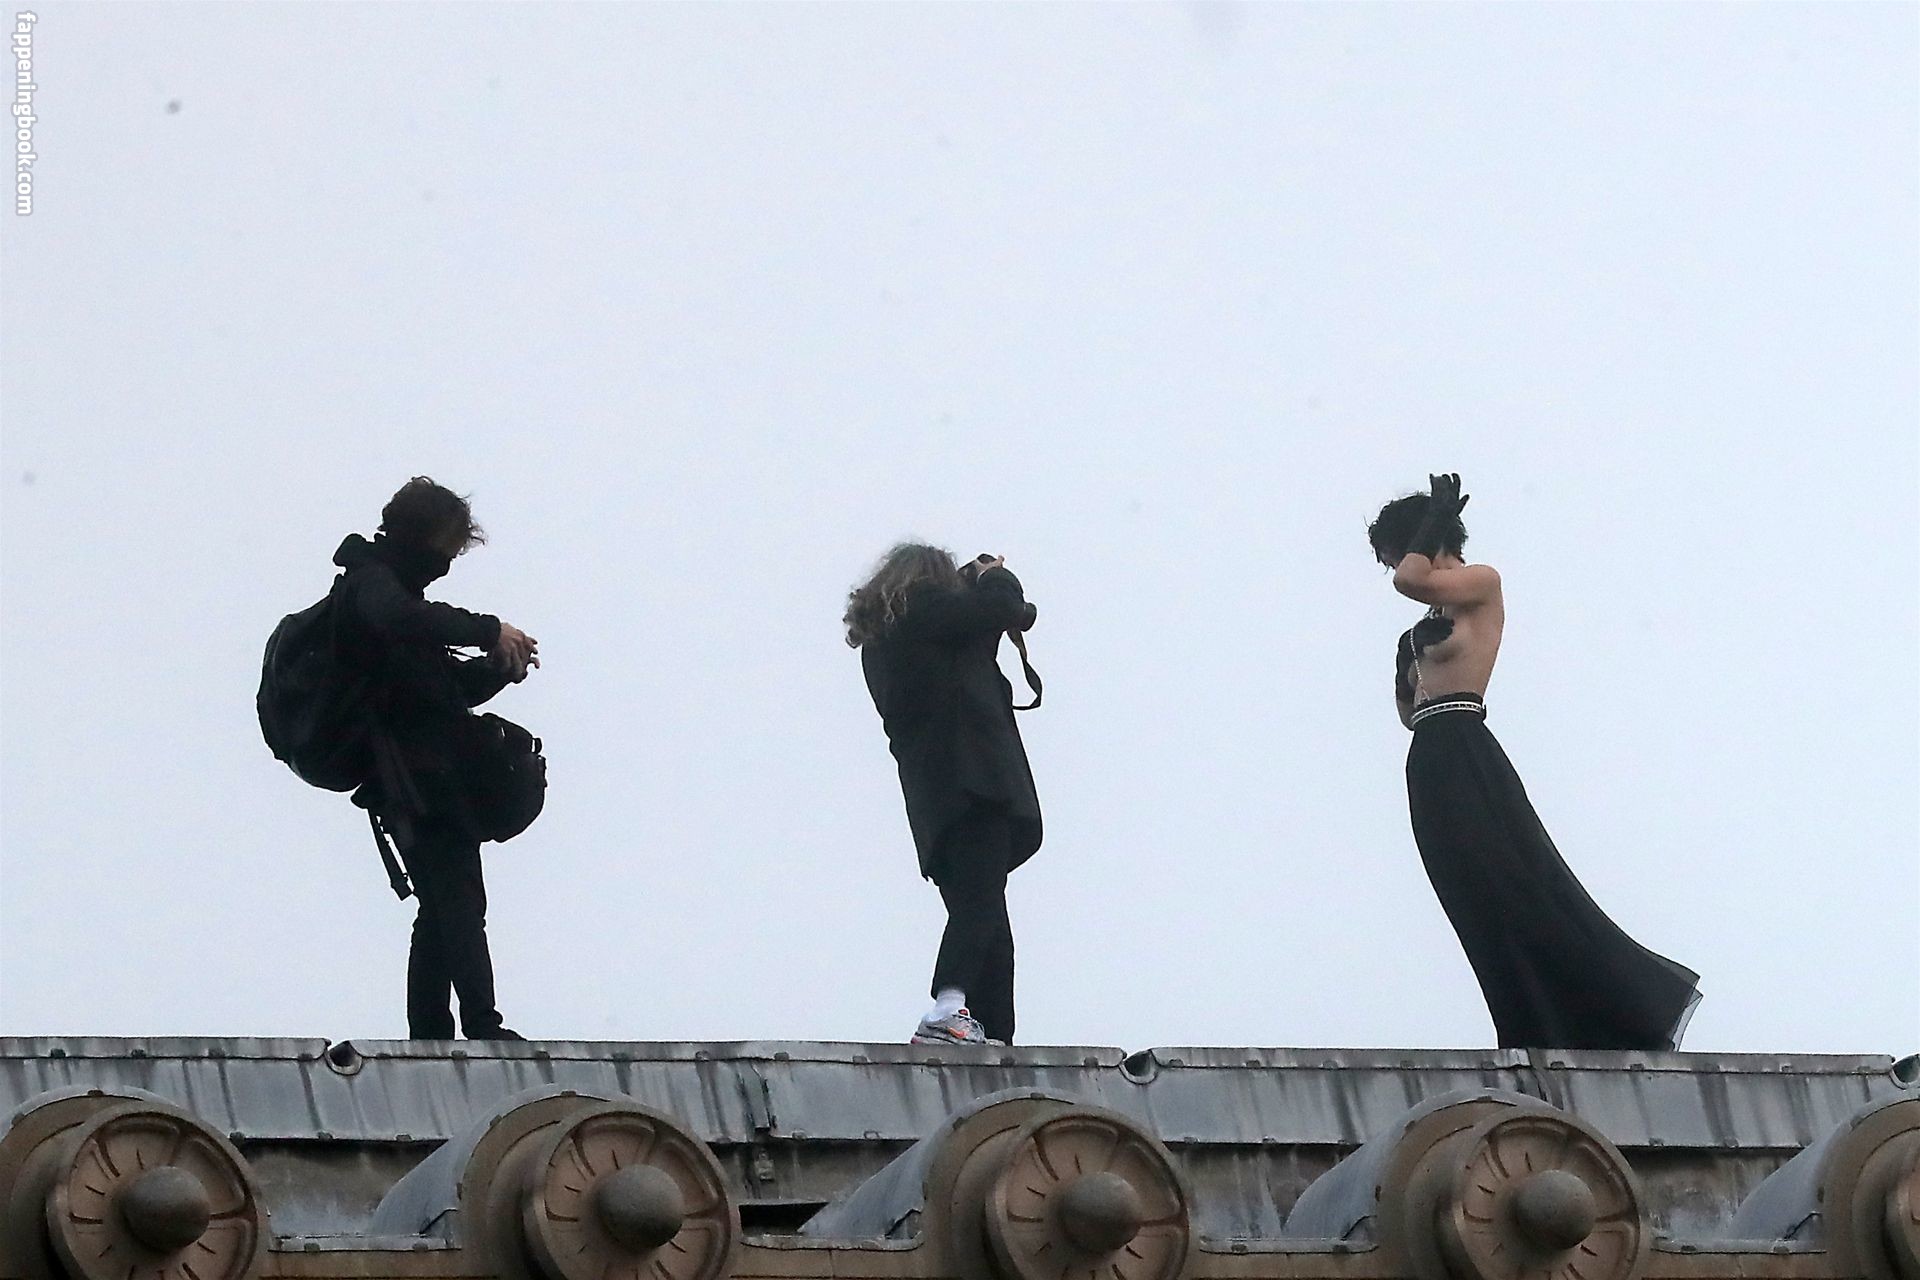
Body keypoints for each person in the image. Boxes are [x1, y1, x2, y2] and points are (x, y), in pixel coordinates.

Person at [1369, 474, 1700, 1050]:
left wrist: (1434, 523)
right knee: (1471, 891)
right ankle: (1526, 1023)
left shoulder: (1480, 582)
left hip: (1466, 744)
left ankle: (1611, 1010)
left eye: (1397, 550)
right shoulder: (1425, 621)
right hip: (1429, 754)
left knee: (1516, 878)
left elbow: (1411, 580)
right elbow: (1408, 713)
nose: (1395, 564)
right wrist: (1405, 667)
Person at [333, 477, 540, 1041]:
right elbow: (399, 623)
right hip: (412, 777)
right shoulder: (373, 584)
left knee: (441, 905)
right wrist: (488, 631)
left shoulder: (397, 597)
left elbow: (438, 690)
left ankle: (432, 1034)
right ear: (419, 536)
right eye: (444, 548)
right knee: (460, 901)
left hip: (426, 774)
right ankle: (482, 1025)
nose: (445, 565)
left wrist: (498, 669)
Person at [846, 544, 1042, 1047]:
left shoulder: (895, 640)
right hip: (974, 785)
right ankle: (946, 1011)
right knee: (979, 907)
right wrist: (993, 576)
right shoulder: (925, 612)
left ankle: (993, 1040)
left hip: (937, 802)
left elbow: (972, 635)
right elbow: (998, 608)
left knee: (989, 926)